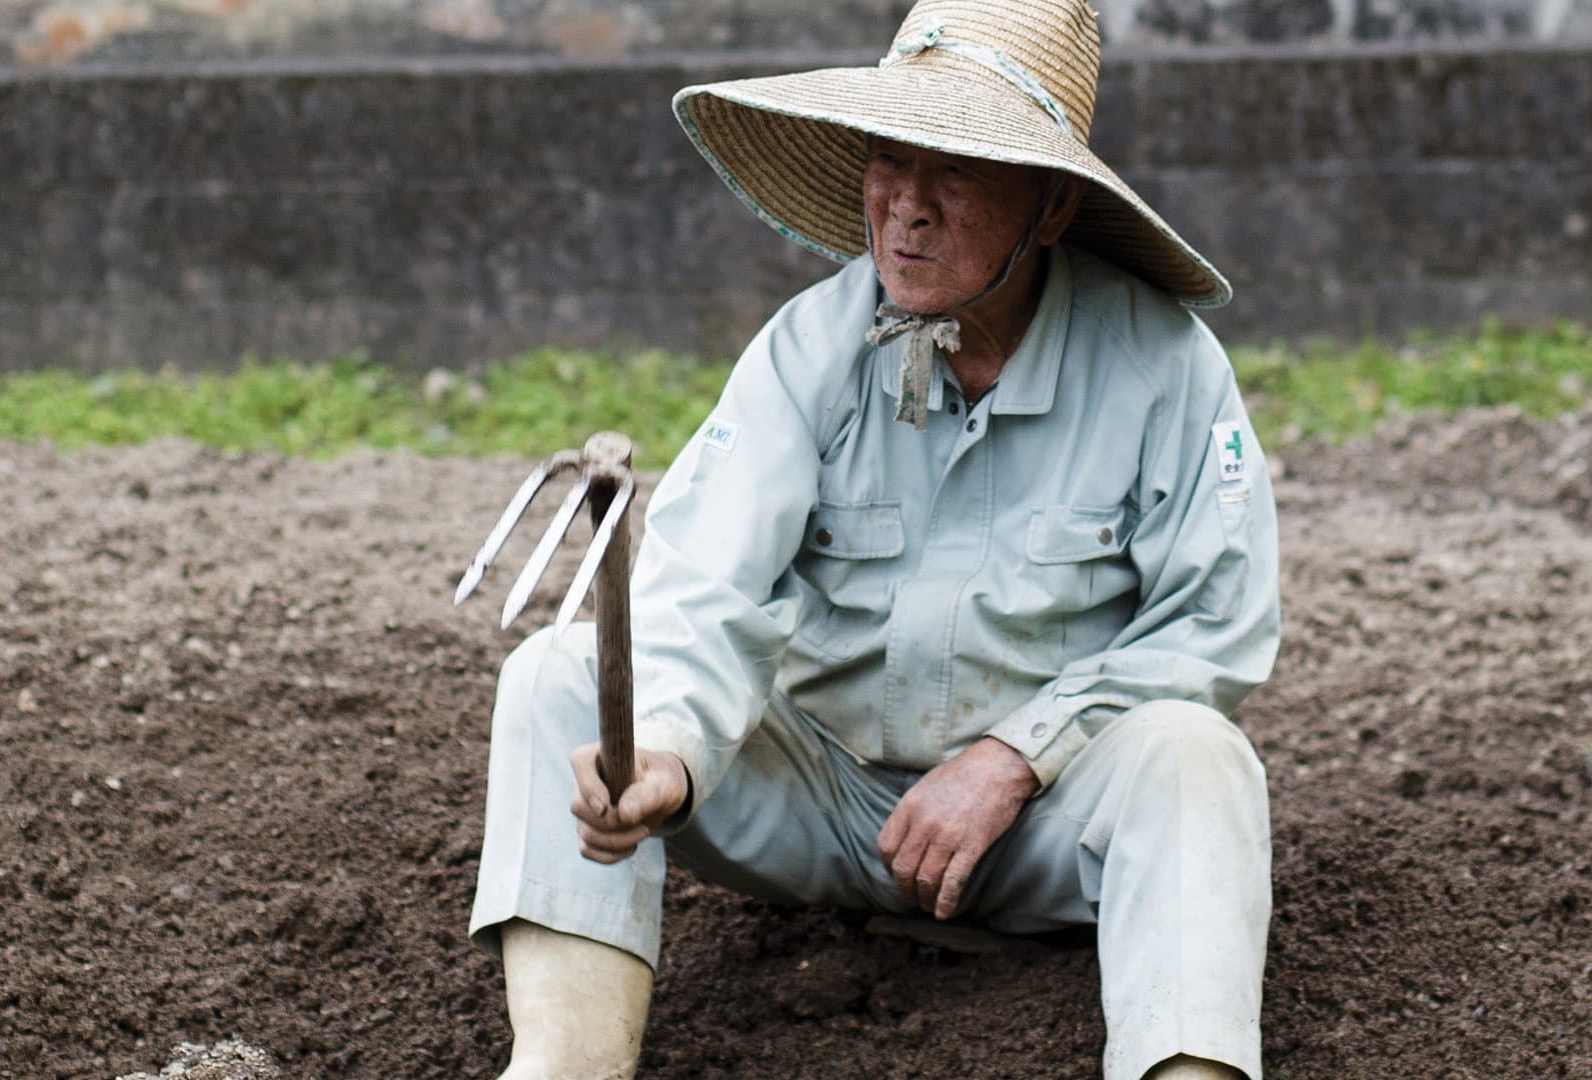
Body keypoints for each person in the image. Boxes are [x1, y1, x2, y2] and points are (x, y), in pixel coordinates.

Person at [468, 1, 1279, 1077]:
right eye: (889, 162)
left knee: (1197, 756)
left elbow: (1212, 628)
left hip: (1037, 828)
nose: (907, 210)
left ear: (1052, 206)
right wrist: (664, 746)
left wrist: (1015, 758)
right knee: (555, 677)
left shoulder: (1165, 369)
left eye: (957, 173)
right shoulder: (809, 348)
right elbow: (707, 586)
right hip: (820, 798)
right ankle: (567, 1063)